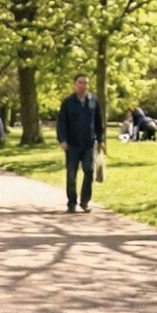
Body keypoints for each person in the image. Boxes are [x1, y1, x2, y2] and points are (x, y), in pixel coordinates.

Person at [57, 73, 105, 213]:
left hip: (89, 143)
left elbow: (99, 121)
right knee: (71, 174)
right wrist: (62, 140)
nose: (82, 85)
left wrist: (101, 139)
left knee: (89, 171)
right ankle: (71, 202)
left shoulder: (94, 100)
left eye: (85, 82)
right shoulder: (68, 102)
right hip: (72, 144)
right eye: (80, 82)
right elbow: (61, 123)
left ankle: (85, 202)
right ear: (75, 84)